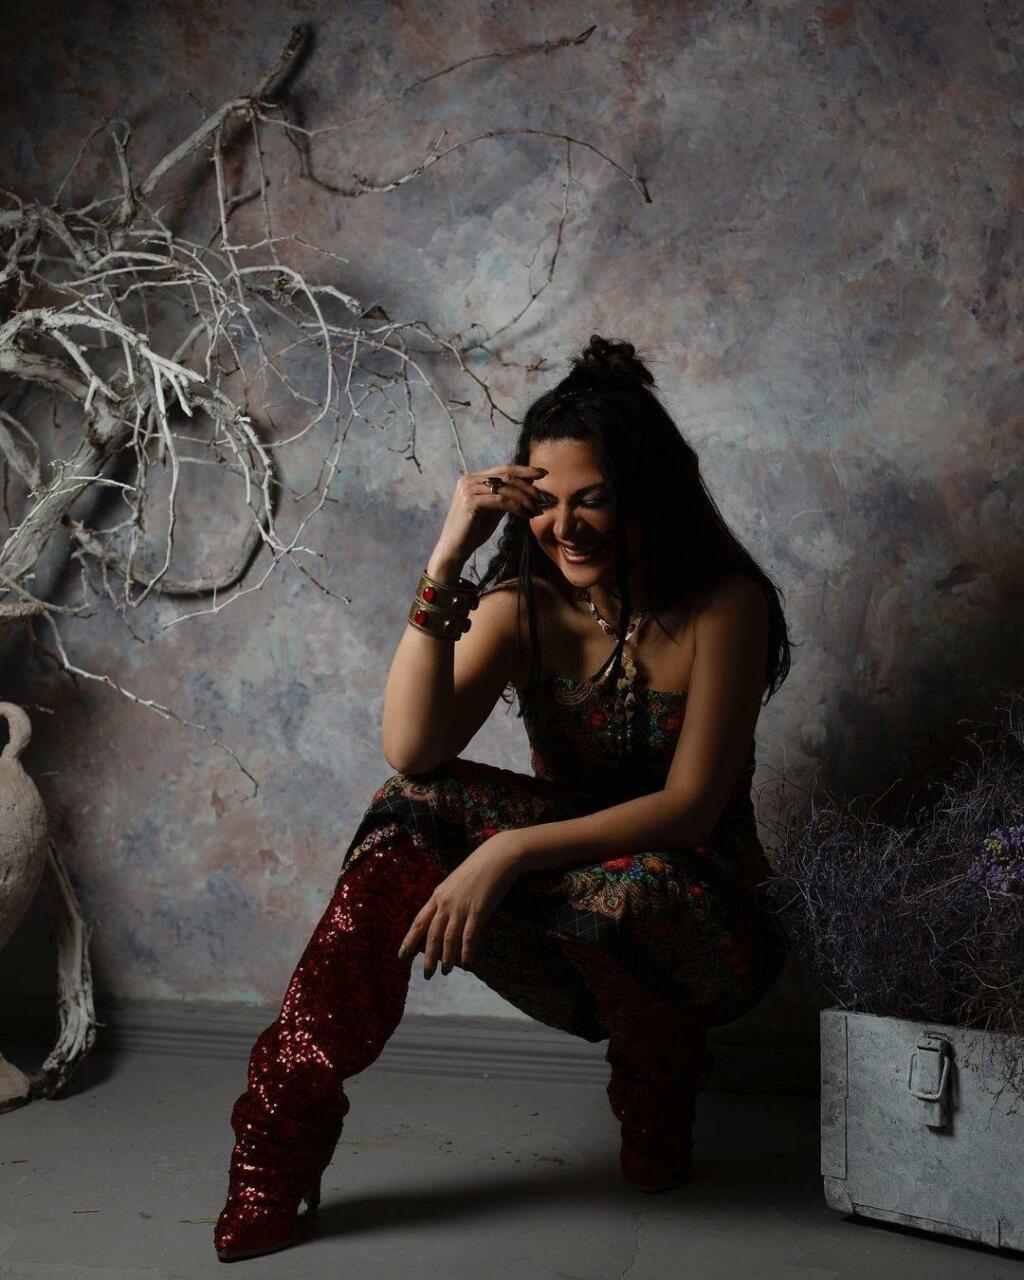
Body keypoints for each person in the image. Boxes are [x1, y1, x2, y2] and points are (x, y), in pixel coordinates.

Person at [213, 334, 793, 1262]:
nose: (566, 526)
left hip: (703, 916)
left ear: (646, 492)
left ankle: (658, 1092)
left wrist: (507, 850)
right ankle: (276, 1146)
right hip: (570, 906)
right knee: (409, 812)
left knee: (637, 887)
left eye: (592, 498)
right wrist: (448, 556)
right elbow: (413, 751)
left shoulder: (725, 605)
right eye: (546, 501)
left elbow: (688, 811)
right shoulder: (526, 606)